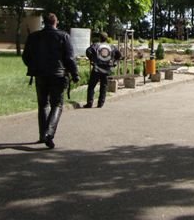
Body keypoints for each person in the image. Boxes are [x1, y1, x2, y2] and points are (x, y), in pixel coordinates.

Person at [22, 12, 79, 149]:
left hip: (40, 74)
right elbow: (69, 58)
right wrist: (75, 74)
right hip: (58, 75)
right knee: (57, 105)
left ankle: (43, 135)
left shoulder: (34, 36)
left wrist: (34, 67)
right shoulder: (63, 36)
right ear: (55, 22)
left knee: (43, 105)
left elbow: (26, 56)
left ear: (44, 22)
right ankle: (49, 133)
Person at [84, 32, 122, 108]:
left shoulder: (95, 45)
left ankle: (90, 102)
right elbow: (119, 55)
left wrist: (92, 59)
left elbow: (88, 51)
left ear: (100, 38)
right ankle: (101, 103)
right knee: (103, 86)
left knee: (91, 86)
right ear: (107, 38)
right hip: (107, 69)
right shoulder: (112, 46)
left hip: (97, 68)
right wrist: (114, 62)